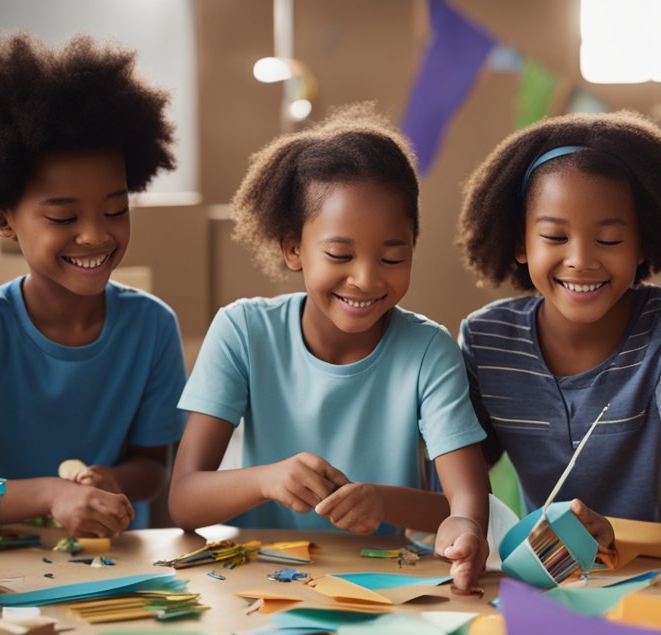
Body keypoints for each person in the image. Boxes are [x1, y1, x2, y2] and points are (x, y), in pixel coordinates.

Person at [168, 105, 489, 592]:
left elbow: (463, 503)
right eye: (340, 255)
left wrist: (397, 507)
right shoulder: (243, 330)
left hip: (383, 585)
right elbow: (184, 501)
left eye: (392, 255)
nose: (366, 277)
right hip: (260, 582)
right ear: (293, 248)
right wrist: (265, 480)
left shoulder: (428, 350)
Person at [0, 31, 186, 537]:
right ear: (3, 221)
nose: (96, 234)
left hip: (116, 566)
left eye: (116, 209)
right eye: (62, 216)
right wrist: (49, 495)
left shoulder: (153, 326)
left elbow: (152, 468)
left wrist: (109, 480)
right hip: (5, 568)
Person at [456, 111, 661, 551]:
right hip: (546, 574)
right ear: (520, 244)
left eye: (608, 241)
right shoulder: (487, 339)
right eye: (554, 237)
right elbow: (459, 485)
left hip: (657, 566)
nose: (581, 260)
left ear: (643, 243)